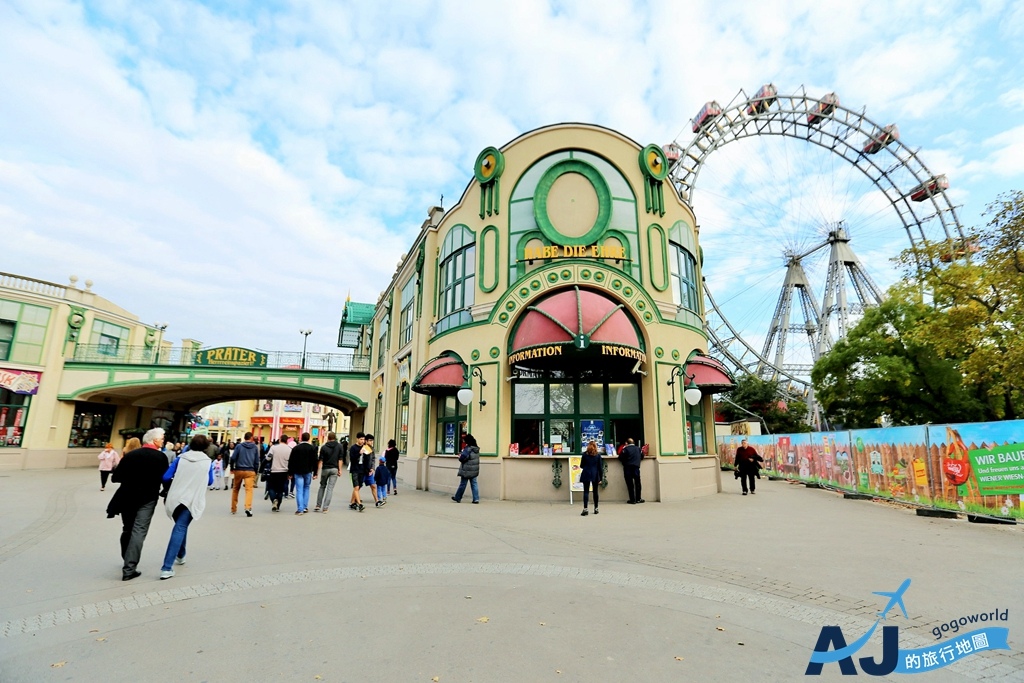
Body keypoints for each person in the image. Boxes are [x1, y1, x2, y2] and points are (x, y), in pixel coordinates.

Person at [105, 428, 169, 581]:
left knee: (127, 529)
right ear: (154, 440)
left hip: (127, 497)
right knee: (139, 531)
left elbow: (116, 477)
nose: (163, 441)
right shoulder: (161, 457)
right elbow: (165, 479)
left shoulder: (131, 455)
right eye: (161, 438)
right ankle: (129, 568)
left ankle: (126, 558)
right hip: (148, 498)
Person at [159, 434, 215, 580]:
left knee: (180, 526)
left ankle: (181, 554)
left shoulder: (180, 458)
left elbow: (165, 477)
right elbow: (210, 481)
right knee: (180, 528)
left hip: (175, 496)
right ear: (205, 447)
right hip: (192, 498)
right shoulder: (207, 462)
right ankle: (166, 567)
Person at [229, 432, 260, 517]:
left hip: (239, 470)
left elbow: (233, 458)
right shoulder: (254, 447)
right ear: (251, 438)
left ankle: (233, 508)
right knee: (249, 490)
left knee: (235, 489)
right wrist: (256, 471)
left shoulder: (239, 446)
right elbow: (257, 461)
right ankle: (248, 507)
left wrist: (232, 468)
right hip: (250, 471)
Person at [314, 431, 345, 513]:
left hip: (325, 469)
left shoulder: (324, 447)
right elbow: (340, 459)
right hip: (334, 469)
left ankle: (318, 505)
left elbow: (320, 460)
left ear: (328, 438)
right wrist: (340, 470)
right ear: (335, 438)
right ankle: (325, 507)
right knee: (330, 489)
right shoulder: (339, 446)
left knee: (322, 486)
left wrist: (317, 472)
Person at [288, 432, 318, 514]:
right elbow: (315, 462)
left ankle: (300, 508)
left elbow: (291, 461)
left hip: (298, 472)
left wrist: (290, 473)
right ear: (308, 439)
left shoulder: (296, 448)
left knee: (299, 490)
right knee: (306, 488)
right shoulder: (312, 449)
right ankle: (305, 507)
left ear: (301, 438)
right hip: (308, 471)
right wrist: (315, 473)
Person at [452, 433, 480, 503]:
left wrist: (460, 456)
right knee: (474, 484)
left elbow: (463, 458)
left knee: (463, 484)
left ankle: (458, 497)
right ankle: (476, 499)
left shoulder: (468, 449)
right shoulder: (476, 449)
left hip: (466, 470)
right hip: (474, 470)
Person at [267, 436, 293, 512]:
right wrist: (290, 473)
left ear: (280, 440)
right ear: (287, 441)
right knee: (280, 490)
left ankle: (274, 500)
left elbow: (268, 458)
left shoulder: (273, 448)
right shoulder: (289, 450)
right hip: (284, 472)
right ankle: (278, 506)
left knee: (271, 487)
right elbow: (291, 462)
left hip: (274, 470)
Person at [579, 440, 602, 516]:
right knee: (595, 491)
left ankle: (585, 509)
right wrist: (601, 478)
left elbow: (581, 465)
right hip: (595, 474)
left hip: (586, 473)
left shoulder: (585, 454)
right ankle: (596, 508)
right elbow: (600, 467)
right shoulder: (598, 455)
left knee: (586, 491)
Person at [619, 438, 643, 504]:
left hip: (628, 468)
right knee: (637, 483)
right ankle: (638, 498)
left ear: (627, 443)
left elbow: (620, 458)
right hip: (636, 467)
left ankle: (632, 500)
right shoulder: (638, 449)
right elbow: (642, 456)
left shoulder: (625, 449)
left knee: (630, 484)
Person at [348, 432, 367, 511]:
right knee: (356, 487)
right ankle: (359, 504)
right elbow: (352, 458)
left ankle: (352, 502)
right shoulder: (353, 448)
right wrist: (359, 453)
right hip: (355, 469)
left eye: (363, 439)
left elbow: (367, 458)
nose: (362, 441)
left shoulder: (365, 447)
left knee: (359, 486)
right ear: (357, 439)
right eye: (361, 439)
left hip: (362, 469)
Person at [362, 435, 381, 507]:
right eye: (370, 440)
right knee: (357, 487)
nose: (371, 442)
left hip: (369, 471)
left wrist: (372, 468)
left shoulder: (372, 449)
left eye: (372, 440)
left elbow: (373, 459)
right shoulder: (363, 448)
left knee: (373, 486)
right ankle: (354, 501)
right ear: (366, 441)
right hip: (362, 471)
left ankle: (377, 501)